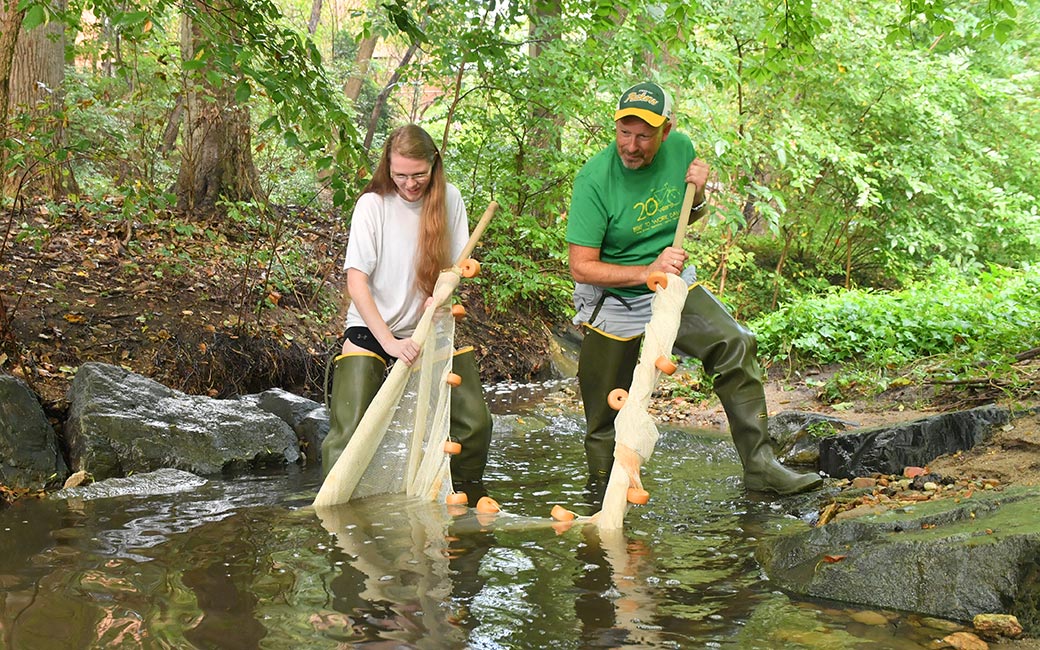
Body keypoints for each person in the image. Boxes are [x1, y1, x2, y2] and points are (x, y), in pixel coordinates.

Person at [566, 81, 822, 502]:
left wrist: (699, 194)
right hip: (612, 298)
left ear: (666, 131)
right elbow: (582, 266)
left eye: (644, 135)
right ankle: (602, 498)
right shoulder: (594, 180)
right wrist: (645, 270)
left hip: (672, 287)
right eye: (624, 132)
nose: (631, 145)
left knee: (735, 343)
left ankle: (760, 466)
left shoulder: (681, 149)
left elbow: (690, 217)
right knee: (607, 413)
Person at [321, 124, 493, 506]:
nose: (410, 184)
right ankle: (335, 520)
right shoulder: (373, 204)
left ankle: (463, 506)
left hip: (430, 328)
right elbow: (356, 282)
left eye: (418, 175)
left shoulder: (450, 199)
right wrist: (390, 343)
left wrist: (442, 297)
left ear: (434, 164)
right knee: (351, 436)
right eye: (400, 175)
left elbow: (455, 270)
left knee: (474, 425)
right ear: (388, 167)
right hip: (373, 331)